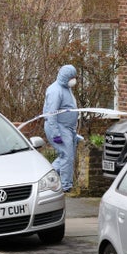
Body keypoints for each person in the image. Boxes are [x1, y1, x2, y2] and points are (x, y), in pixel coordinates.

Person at [43, 64, 82, 193]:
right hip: (59, 127)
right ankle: (65, 185)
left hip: (67, 128)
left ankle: (46, 178)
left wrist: (73, 133)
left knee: (66, 157)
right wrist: (55, 134)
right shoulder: (55, 90)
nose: (74, 79)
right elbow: (51, 114)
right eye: (72, 77)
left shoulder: (66, 88)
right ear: (66, 77)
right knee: (66, 156)